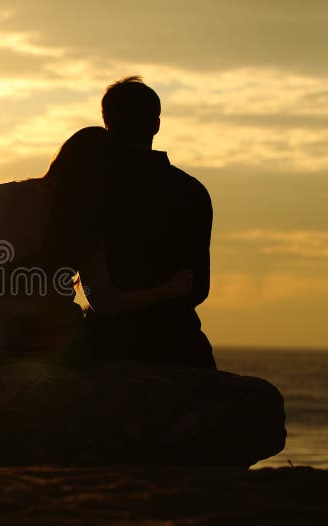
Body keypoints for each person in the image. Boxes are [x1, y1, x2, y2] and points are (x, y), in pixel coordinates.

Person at [0, 127, 194, 368]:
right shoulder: (87, 216)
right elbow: (104, 301)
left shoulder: (3, 194)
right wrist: (170, 289)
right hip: (52, 346)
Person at [83, 76, 215, 369]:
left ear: (107, 125)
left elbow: (94, 293)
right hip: (175, 342)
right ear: (155, 125)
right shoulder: (192, 191)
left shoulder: (90, 191)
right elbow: (198, 288)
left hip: (107, 343)